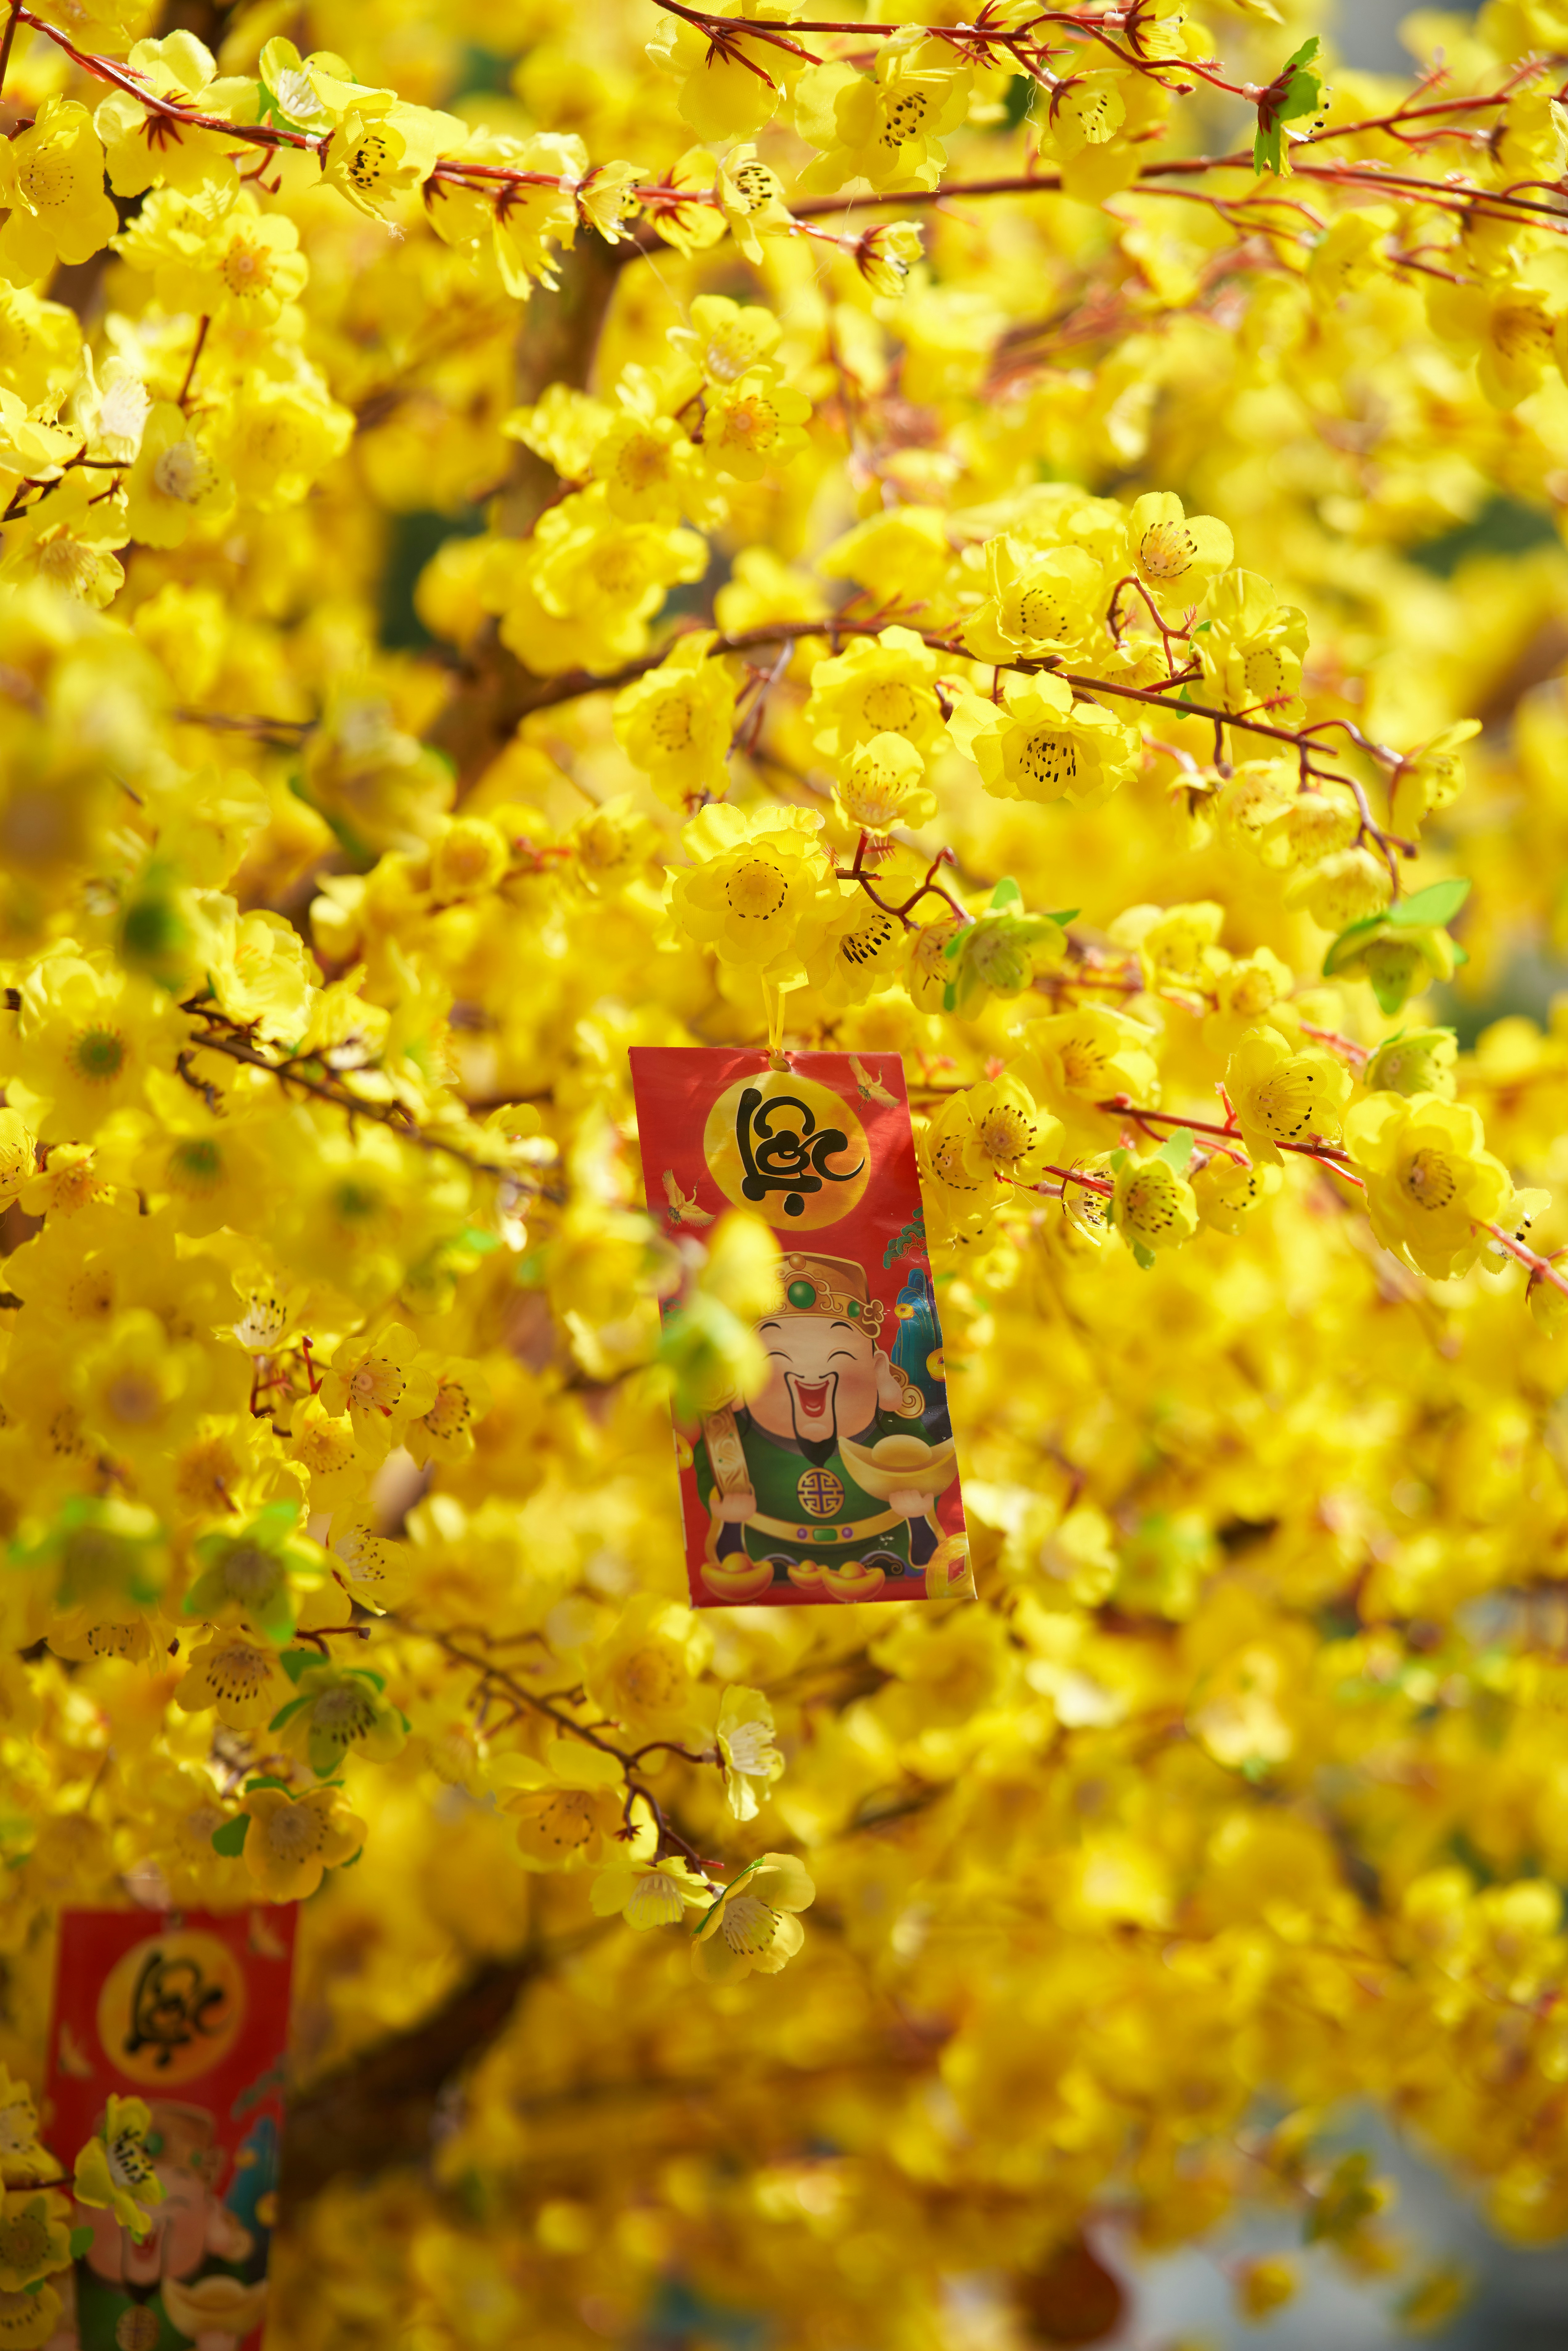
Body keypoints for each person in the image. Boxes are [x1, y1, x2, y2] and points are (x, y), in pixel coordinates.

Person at [693, 1252, 951, 1600]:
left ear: (879, 1371)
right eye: (776, 1357)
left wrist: (918, 1517)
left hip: (881, 1562)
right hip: (770, 1564)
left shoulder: (895, 1441)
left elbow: (928, 1526)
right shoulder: (732, 1442)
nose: (809, 1373)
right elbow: (714, 1515)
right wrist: (730, 1522)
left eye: (839, 1354)